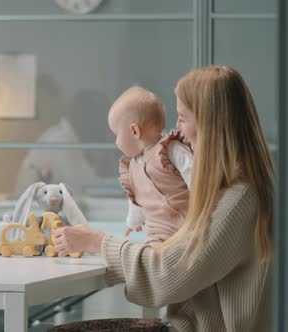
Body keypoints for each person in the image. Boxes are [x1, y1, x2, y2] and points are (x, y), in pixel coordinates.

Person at [52, 66, 273, 331]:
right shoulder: (233, 188)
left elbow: (167, 275)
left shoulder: (239, 199)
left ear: (208, 125)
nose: (177, 129)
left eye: (182, 118)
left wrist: (97, 241)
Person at [108, 86, 193, 242]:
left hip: (185, 227)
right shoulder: (133, 166)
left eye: (116, 134)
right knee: (148, 256)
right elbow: (136, 199)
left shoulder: (170, 149)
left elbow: (193, 172)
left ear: (134, 131)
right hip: (157, 232)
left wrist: (204, 209)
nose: (116, 142)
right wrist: (133, 222)